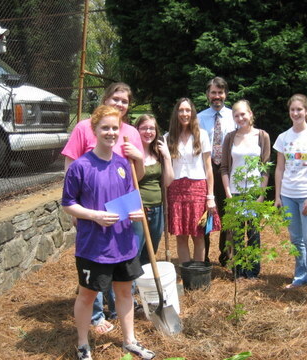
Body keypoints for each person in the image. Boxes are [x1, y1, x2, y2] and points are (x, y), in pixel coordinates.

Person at [62, 105, 155, 360]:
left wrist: (136, 211)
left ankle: (130, 340)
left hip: (123, 243)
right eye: (105, 128)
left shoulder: (123, 164)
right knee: (88, 294)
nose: (111, 133)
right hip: (94, 245)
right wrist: (95, 216)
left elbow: (129, 199)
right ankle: (83, 344)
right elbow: (67, 204)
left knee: (125, 292)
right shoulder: (80, 167)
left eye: (115, 128)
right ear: (94, 130)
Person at [273, 94, 307, 293]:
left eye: (299, 110)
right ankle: (300, 276)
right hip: (288, 195)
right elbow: (279, 169)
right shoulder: (283, 138)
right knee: (296, 240)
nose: (295, 113)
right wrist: (277, 196)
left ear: (306, 111)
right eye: (292, 110)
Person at [166, 97, 221, 264]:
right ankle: (186, 270)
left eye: (188, 110)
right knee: (181, 235)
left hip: (197, 188)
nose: (184, 114)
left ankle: (197, 271)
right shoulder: (168, 137)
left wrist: (210, 197)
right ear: (176, 113)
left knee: (198, 234)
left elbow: (208, 168)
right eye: (181, 110)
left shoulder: (202, 135)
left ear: (192, 113)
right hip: (175, 189)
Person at [220, 100, 270, 279]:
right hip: (235, 192)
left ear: (250, 114)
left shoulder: (262, 136)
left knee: (254, 233)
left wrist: (262, 195)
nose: (240, 118)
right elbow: (224, 167)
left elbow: (265, 168)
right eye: (236, 115)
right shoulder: (230, 137)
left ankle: (253, 271)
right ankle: (239, 271)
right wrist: (228, 192)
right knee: (237, 233)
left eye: (243, 114)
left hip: (254, 192)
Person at [197, 77, 236, 265]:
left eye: (220, 93)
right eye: (213, 92)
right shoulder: (199, 118)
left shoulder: (234, 116)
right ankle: (203, 256)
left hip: (228, 170)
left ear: (225, 94)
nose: (217, 96)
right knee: (204, 213)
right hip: (206, 169)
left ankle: (225, 255)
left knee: (227, 215)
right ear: (207, 95)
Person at [133, 114, 174, 265]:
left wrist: (167, 157)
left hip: (158, 207)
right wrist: (138, 160)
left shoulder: (158, 153)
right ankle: (129, 285)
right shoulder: (132, 153)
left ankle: (143, 282)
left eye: (151, 128)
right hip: (138, 208)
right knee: (135, 248)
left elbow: (168, 181)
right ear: (136, 130)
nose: (148, 132)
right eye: (144, 128)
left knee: (151, 250)